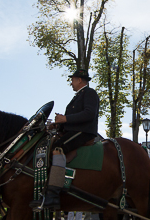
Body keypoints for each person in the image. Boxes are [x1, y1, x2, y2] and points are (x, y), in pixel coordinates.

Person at [31, 68, 99, 211]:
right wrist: (59, 124)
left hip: (84, 132)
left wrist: (65, 118)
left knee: (58, 147)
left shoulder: (89, 93)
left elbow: (89, 114)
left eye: (72, 80)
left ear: (79, 80)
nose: (71, 83)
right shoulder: (78, 95)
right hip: (74, 130)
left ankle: (53, 195)